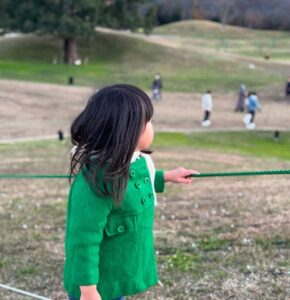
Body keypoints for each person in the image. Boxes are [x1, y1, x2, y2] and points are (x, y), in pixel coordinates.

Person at [64, 84, 198, 300]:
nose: (152, 127)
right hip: (97, 285)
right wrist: (88, 290)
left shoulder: (127, 163)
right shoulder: (93, 184)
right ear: (127, 130)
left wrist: (166, 176)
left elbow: (131, 185)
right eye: (148, 122)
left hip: (117, 272)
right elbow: (82, 240)